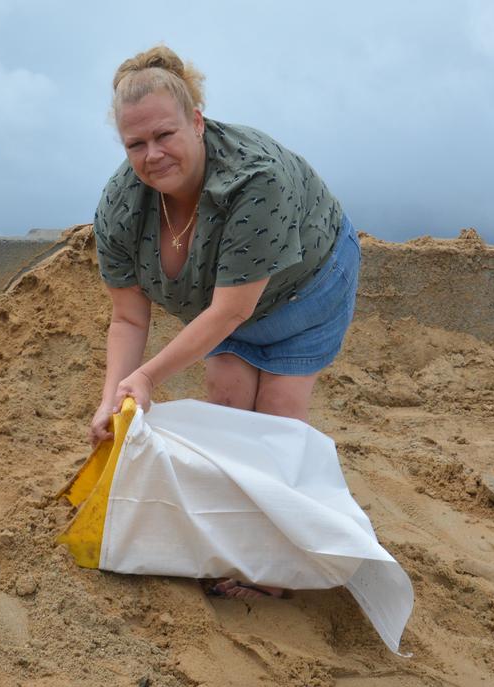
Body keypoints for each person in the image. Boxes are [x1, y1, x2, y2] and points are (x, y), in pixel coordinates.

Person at [89, 45, 362, 599]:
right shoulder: (121, 205)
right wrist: (114, 393)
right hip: (221, 304)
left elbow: (232, 310)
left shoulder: (254, 180)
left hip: (306, 286)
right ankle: (229, 544)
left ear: (196, 120)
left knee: (279, 423)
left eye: (165, 135)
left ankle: (275, 567)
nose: (152, 155)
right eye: (135, 144)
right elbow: (126, 316)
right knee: (229, 407)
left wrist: (149, 378)